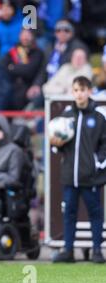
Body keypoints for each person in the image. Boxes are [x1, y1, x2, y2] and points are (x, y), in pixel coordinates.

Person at [50, 76, 106, 263]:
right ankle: (68, 250)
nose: (79, 94)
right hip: (69, 177)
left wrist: (97, 163)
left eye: (82, 90)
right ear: (72, 92)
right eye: (76, 90)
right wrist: (56, 144)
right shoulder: (66, 116)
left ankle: (97, 250)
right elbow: (59, 146)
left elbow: (104, 145)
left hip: (91, 177)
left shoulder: (99, 117)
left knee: (95, 213)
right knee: (69, 213)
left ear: (90, 91)